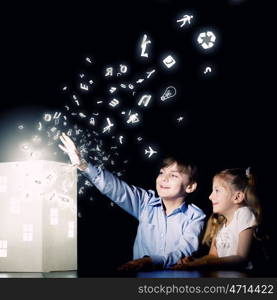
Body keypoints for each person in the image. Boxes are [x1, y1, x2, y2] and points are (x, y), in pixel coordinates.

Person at [59, 133, 205, 271]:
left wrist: (149, 261)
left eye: (173, 175)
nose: (163, 178)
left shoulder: (196, 216)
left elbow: (185, 251)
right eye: (161, 173)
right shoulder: (145, 203)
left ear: (190, 186)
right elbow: (116, 189)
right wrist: (82, 164)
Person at [171, 167, 261, 271]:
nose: (210, 196)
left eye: (217, 190)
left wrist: (200, 264)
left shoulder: (244, 214)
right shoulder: (221, 223)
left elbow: (241, 258)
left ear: (237, 197)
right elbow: (213, 256)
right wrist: (195, 261)